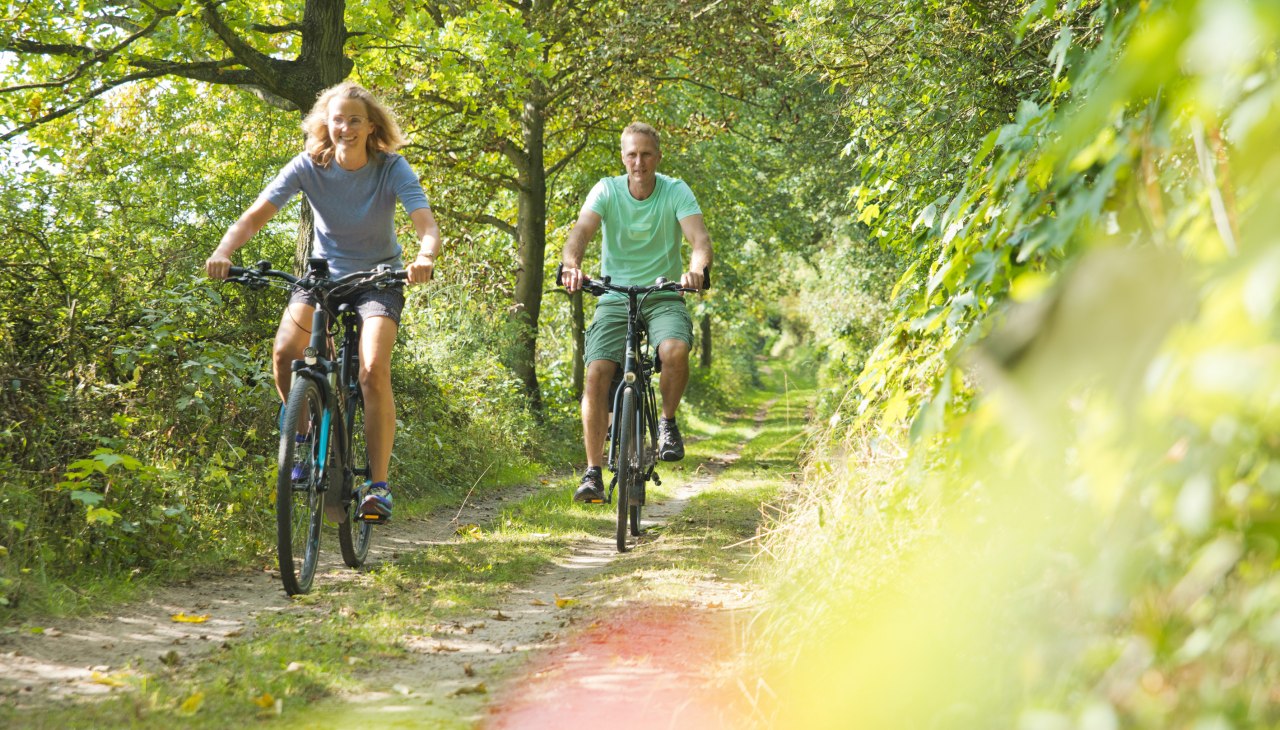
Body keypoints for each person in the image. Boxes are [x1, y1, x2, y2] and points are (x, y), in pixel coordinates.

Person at [205, 82, 441, 523]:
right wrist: (224, 251)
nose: (345, 127)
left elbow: (425, 223)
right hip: (323, 278)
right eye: (338, 119)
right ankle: (303, 440)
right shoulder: (308, 165)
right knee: (284, 355)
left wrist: (424, 255)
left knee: (372, 369)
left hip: (379, 279)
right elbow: (256, 214)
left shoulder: (392, 168)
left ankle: (379, 485)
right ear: (325, 124)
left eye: (355, 120)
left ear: (371, 127)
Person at [559, 122, 713, 502]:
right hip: (614, 295)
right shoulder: (607, 190)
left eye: (646, 154)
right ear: (623, 157)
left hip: (662, 294)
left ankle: (667, 423)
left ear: (657, 158)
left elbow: (699, 238)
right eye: (632, 154)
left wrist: (696, 270)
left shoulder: (675, 191)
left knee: (675, 351)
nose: (639, 162)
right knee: (596, 373)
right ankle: (593, 473)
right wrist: (572, 265)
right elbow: (579, 233)